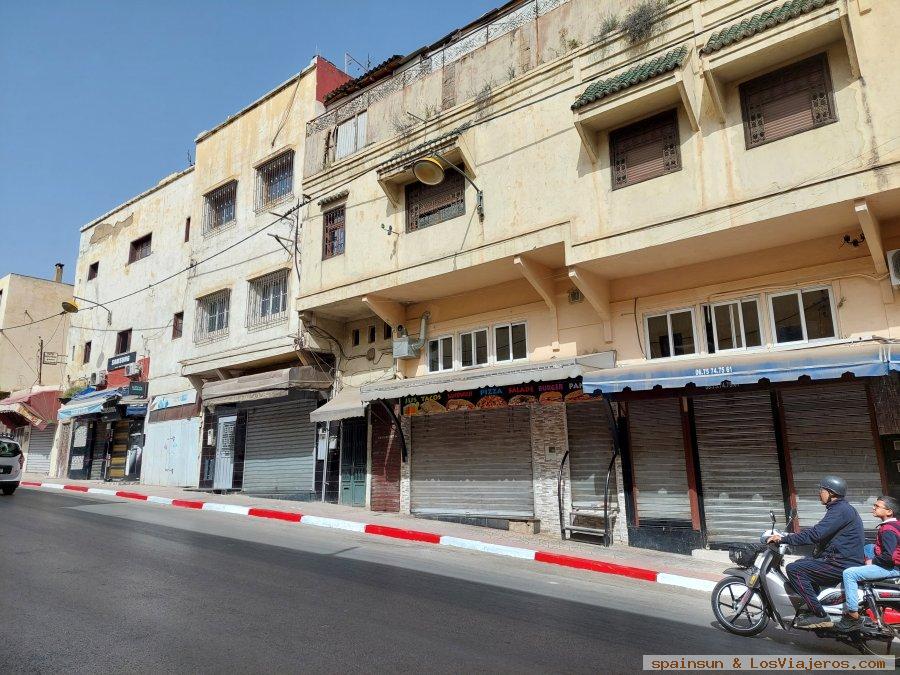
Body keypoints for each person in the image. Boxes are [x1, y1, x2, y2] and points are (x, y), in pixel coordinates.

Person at [767, 476, 865, 629]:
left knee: (794, 569)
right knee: (802, 563)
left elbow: (815, 534)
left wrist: (784, 539)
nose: (820, 493)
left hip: (840, 563)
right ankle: (815, 603)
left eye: (822, 490)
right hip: (841, 559)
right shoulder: (841, 509)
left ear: (831, 493)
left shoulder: (840, 510)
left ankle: (819, 615)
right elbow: (820, 533)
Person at [836, 496, 900, 632]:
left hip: (891, 568)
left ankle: (853, 615)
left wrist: (872, 561)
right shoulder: (894, 524)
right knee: (867, 548)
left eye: (877, 506)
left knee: (849, 573)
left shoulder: (888, 530)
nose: (873, 508)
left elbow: (889, 557)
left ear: (889, 512)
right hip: (890, 564)